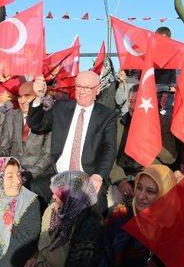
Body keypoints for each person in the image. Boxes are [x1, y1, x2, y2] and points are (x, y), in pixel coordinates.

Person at [28, 71, 118, 213]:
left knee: (95, 209)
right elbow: (37, 125)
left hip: (88, 176)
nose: (81, 91)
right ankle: (38, 234)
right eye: (78, 87)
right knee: (30, 191)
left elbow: (109, 148)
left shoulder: (107, 115)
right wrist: (39, 98)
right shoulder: (61, 107)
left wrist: (98, 176)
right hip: (59, 175)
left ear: (97, 89)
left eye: (87, 88)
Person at [0, 82, 52, 184]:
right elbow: (3, 148)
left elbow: (48, 155)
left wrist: (28, 175)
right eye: (19, 97)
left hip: (38, 176)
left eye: (27, 96)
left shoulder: (47, 119)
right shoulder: (11, 116)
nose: (22, 101)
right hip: (12, 171)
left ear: (38, 97)